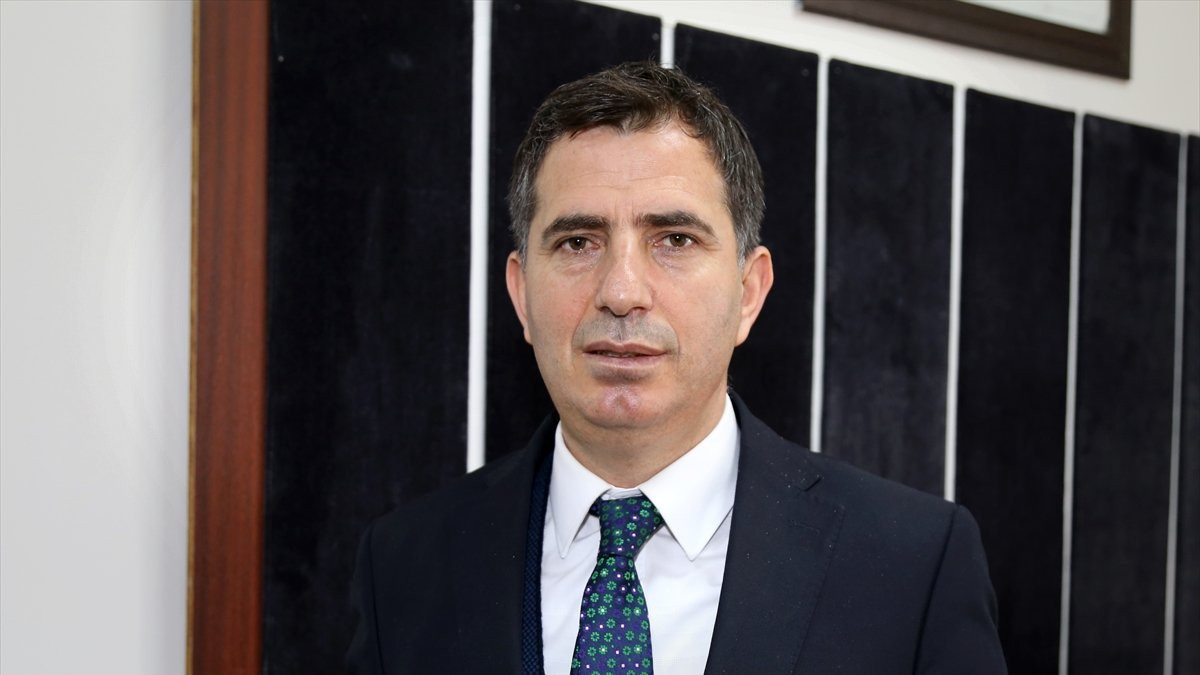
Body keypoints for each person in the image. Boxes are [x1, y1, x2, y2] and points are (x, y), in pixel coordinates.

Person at [348, 61, 1006, 674]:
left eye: (674, 239)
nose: (621, 291)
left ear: (748, 292)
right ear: (521, 295)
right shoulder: (402, 566)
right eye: (577, 242)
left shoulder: (914, 566)